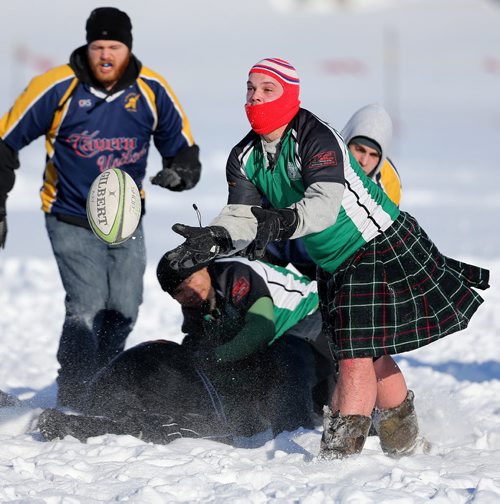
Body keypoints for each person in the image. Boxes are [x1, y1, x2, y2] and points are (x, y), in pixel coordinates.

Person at [164, 57, 490, 459]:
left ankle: (339, 460)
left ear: (290, 95)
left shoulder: (316, 137)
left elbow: (323, 207)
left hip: (376, 245)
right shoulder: (245, 155)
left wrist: (278, 222)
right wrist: (214, 238)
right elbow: (242, 215)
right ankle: (406, 445)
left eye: (268, 90)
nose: (255, 96)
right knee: (369, 351)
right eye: (250, 88)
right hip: (333, 262)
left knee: (353, 356)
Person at [0, 8, 201, 410]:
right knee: (87, 302)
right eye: (98, 46)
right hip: (68, 213)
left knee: (125, 304)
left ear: (128, 48)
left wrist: (180, 172)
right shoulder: (56, 86)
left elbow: (183, 150)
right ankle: (76, 388)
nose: (105, 55)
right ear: (87, 46)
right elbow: (5, 142)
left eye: (114, 46)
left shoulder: (150, 89)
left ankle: (103, 378)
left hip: (126, 217)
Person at [37, 257, 334, 444]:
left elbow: (261, 329)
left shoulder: (234, 273)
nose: (188, 292)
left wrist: (218, 358)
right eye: (179, 291)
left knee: (283, 358)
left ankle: (293, 435)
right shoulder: (197, 307)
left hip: (317, 322)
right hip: (270, 343)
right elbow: (199, 352)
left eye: (191, 280)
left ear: (205, 268)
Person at [263, 102, 401, 276]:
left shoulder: (389, 186)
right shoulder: (315, 156)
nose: (364, 161)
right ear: (346, 141)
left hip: (343, 262)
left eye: (374, 155)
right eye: (359, 149)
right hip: (285, 246)